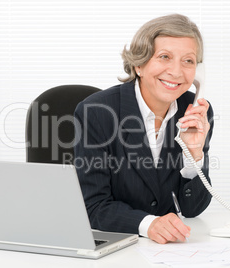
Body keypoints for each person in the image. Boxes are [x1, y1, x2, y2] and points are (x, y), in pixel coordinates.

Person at [74, 14, 214, 244]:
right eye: (164, 57)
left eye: (188, 61)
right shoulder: (96, 112)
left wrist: (194, 154)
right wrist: (149, 224)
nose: (177, 72)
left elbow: (192, 209)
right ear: (139, 64)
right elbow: (93, 206)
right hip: (113, 245)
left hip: (169, 252)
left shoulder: (196, 112)